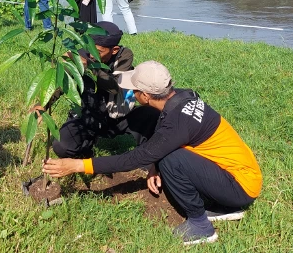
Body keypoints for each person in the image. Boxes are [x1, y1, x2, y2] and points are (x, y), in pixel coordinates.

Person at [44, 61, 262, 246]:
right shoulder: (183, 97)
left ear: (146, 96)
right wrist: (154, 167)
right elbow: (166, 138)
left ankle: (201, 225)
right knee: (165, 156)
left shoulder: (177, 123)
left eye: (134, 90)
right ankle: (221, 209)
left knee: (172, 159)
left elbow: (135, 158)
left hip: (240, 186)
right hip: (236, 174)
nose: (131, 93)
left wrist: (78, 165)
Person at [50, 21, 160, 160]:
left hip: (117, 113)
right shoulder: (80, 56)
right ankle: (86, 152)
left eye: (99, 51)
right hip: (87, 115)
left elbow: (114, 87)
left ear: (113, 50)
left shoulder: (123, 56)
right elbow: (61, 82)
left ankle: (148, 157)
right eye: (89, 48)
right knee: (61, 146)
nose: (91, 54)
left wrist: (90, 66)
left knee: (154, 114)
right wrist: (44, 104)